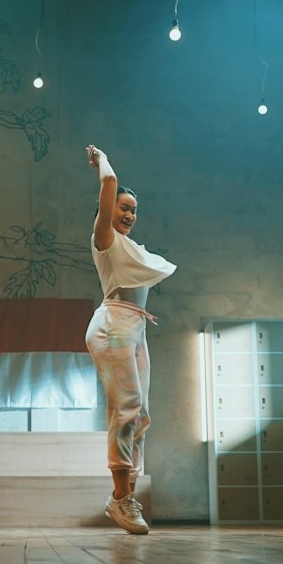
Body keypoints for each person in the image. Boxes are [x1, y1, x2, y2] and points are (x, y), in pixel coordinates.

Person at [85, 144, 176, 535]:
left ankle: (125, 497)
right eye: (123, 207)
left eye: (133, 211)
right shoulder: (104, 238)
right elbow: (108, 181)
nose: (129, 215)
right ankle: (120, 499)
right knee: (126, 407)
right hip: (114, 324)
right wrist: (102, 162)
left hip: (135, 328)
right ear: (108, 211)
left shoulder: (133, 248)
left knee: (139, 416)